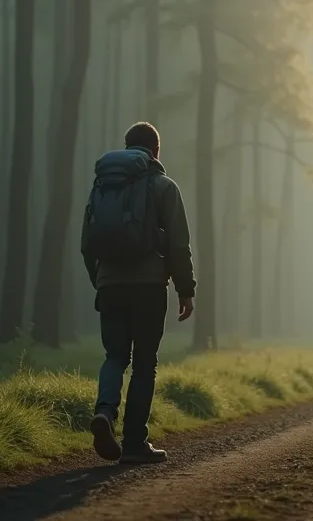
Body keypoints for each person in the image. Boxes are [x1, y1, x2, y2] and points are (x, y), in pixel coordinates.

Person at [82, 121, 196, 464]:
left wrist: (100, 279)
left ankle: (104, 412)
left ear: (127, 147)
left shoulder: (102, 186)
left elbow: (87, 244)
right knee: (145, 363)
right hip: (148, 288)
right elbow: (178, 244)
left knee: (115, 356)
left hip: (110, 285)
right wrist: (185, 289)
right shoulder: (164, 186)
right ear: (155, 151)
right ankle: (134, 443)